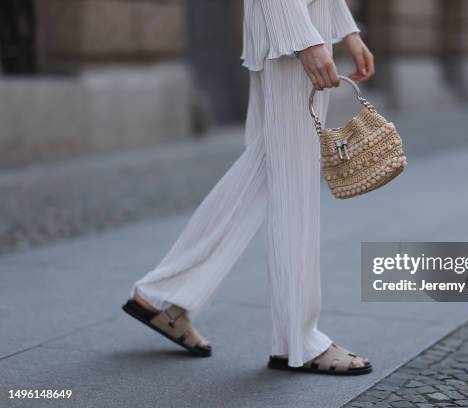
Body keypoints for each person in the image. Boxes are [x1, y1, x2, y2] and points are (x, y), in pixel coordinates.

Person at [122, 0, 375, 375]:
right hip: (290, 34)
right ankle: (298, 341)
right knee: (292, 183)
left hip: (296, 30)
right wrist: (305, 40)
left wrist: (346, 31)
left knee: (272, 170)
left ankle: (165, 295)